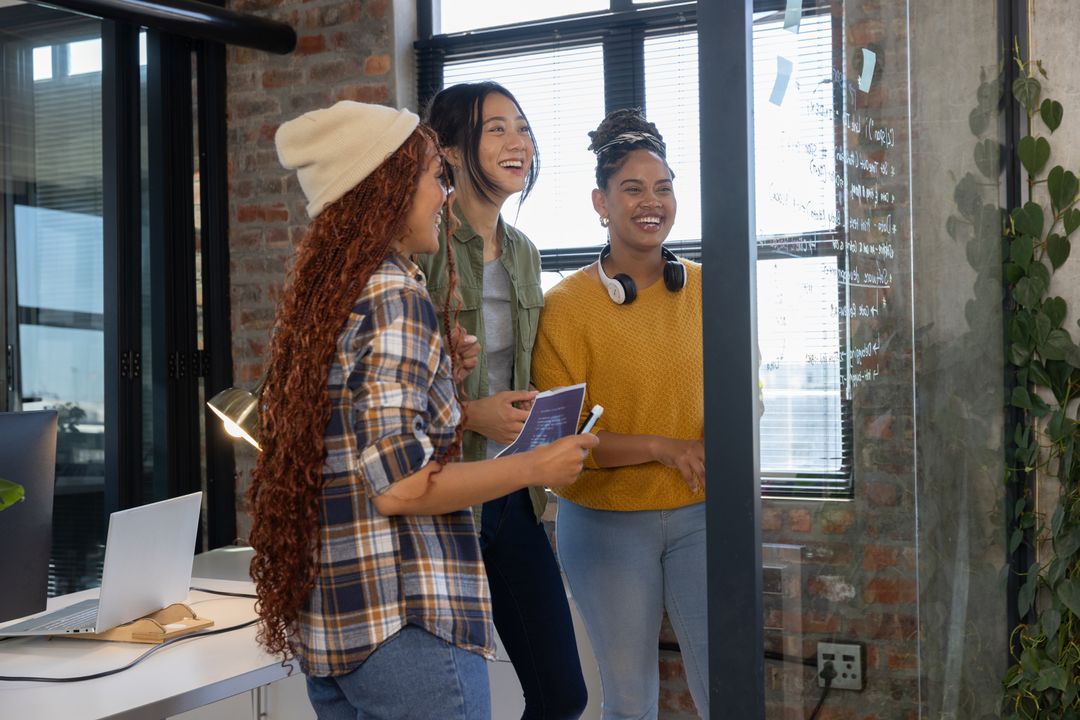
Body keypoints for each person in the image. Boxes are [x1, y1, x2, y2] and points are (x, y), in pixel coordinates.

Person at [245, 100, 598, 720]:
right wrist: (535, 466)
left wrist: (439, 382)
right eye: (435, 177)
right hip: (405, 622)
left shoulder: (334, 295)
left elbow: (355, 441)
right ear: (383, 190)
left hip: (338, 627)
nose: (444, 195)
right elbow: (401, 488)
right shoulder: (396, 297)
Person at [416, 81, 590, 720]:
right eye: (496, 129)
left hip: (513, 494)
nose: (519, 141)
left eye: (522, 127)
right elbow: (388, 391)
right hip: (440, 498)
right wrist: (469, 413)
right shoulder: (423, 245)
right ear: (450, 150)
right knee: (456, 704)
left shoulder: (523, 253)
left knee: (562, 695)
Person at [531, 108, 708, 720]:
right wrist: (662, 446)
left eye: (663, 187)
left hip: (701, 514)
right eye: (632, 189)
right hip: (605, 524)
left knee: (729, 688)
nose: (651, 202)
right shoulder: (566, 306)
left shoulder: (708, 288)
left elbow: (745, 388)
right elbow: (561, 442)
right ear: (600, 203)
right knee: (630, 701)